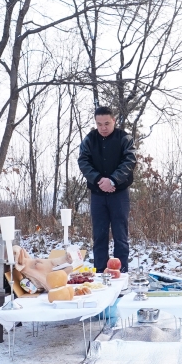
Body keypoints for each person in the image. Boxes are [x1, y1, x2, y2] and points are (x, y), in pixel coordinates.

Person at [78, 105, 137, 272]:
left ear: (114, 121)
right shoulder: (90, 139)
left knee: (120, 236)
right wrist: (98, 179)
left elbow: (130, 161)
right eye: (99, 124)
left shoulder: (124, 138)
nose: (103, 128)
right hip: (97, 194)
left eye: (106, 123)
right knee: (99, 236)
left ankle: (121, 272)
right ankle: (100, 274)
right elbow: (83, 161)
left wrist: (112, 180)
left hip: (119, 194)